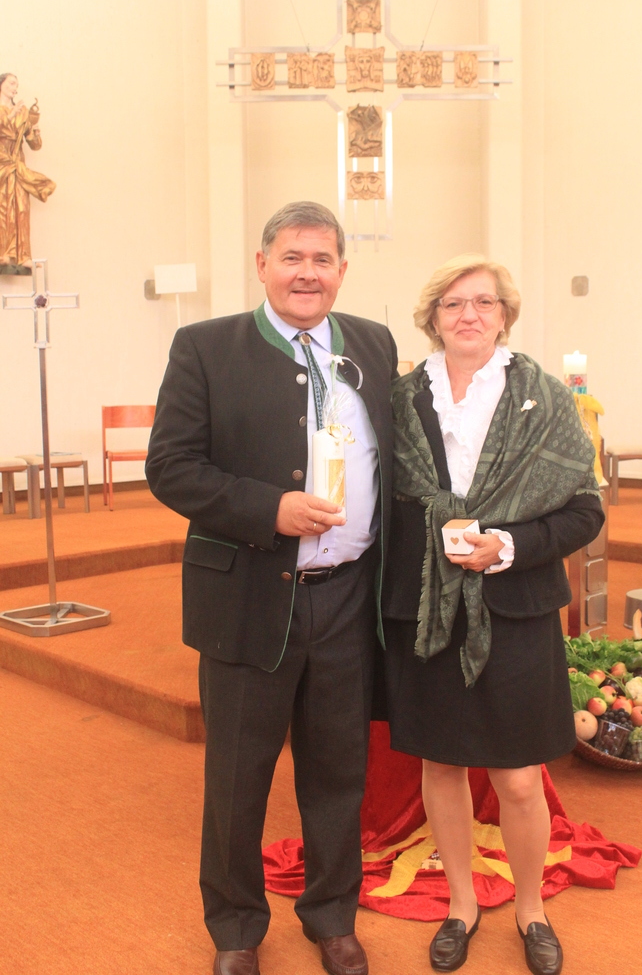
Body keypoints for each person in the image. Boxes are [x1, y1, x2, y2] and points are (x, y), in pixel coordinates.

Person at [146, 201, 397, 975]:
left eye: (322, 260)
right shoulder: (204, 347)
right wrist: (269, 509)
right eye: (292, 257)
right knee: (237, 775)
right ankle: (235, 929)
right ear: (261, 265)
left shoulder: (374, 342)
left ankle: (331, 916)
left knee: (337, 771)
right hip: (249, 597)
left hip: (349, 596)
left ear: (342, 270)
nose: (306, 273)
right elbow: (171, 468)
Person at [382, 254, 604, 975]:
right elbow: (381, 505)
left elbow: (584, 511)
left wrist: (507, 544)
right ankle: (459, 903)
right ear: (432, 318)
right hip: (426, 610)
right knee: (441, 764)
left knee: (516, 779)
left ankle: (530, 908)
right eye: (452, 304)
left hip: (515, 609)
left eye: (483, 302)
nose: (468, 314)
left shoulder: (543, 396)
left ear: (505, 315)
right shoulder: (400, 399)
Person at [0, 73, 56, 268]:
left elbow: (35, 145)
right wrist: (10, 115)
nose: (15, 87)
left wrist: (35, 130)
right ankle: (3, 253)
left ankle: (23, 255)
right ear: (1, 85)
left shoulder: (22, 112)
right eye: (11, 83)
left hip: (18, 166)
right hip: (2, 165)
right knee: (3, 208)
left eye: (16, 84)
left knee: (22, 209)